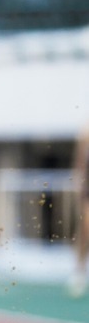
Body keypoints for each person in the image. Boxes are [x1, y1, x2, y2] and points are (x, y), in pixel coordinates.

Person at [69, 122, 89, 298]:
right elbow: (80, 163)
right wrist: (79, 186)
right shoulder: (85, 134)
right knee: (85, 231)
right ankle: (79, 272)